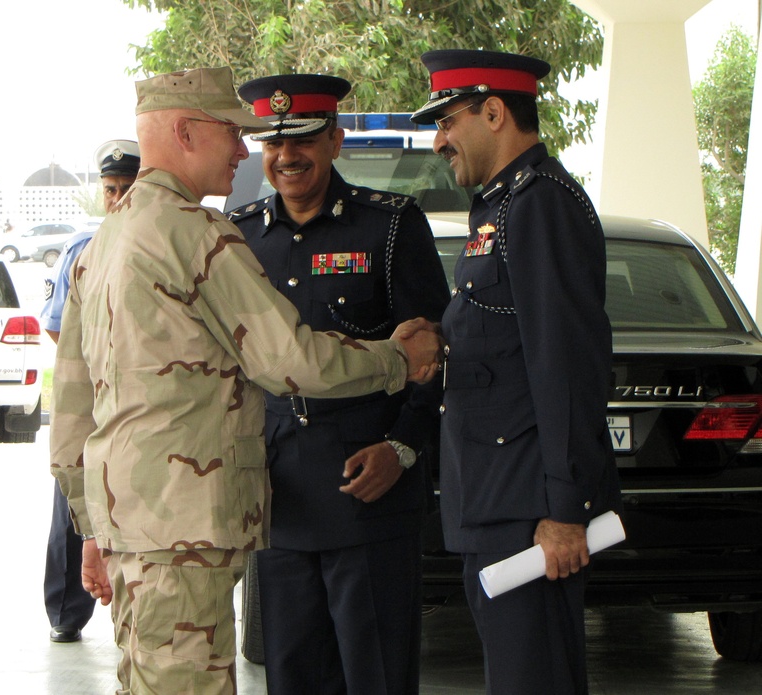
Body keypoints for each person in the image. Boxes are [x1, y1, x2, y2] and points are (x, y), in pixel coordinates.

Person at [48, 66, 443, 695]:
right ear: (185, 132)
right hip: (184, 525)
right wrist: (397, 358)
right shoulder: (196, 234)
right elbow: (289, 360)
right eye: (232, 132)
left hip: (136, 522)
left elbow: (68, 401)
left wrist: (89, 525)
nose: (244, 149)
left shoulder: (103, 242)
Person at [228, 73, 450, 694]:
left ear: (334, 139)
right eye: (271, 145)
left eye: (300, 141)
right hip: (280, 497)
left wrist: (403, 449)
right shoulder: (239, 236)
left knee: (376, 677)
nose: (285, 158)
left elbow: (432, 356)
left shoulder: (389, 227)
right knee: (293, 677)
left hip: (370, 494)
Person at [411, 49, 622, 694]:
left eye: (448, 120)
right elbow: (504, 339)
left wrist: (565, 511)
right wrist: (441, 338)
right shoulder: (499, 207)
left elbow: (566, 368)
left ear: (495, 112)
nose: (439, 139)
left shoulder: (540, 207)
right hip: (498, 499)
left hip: (530, 511)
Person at [40, 138, 140, 643]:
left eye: (127, 188)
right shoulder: (83, 250)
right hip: (92, 403)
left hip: (140, 409)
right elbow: (60, 330)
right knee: (74, 507)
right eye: (110, 188)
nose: (118, 197)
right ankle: (66, 611)